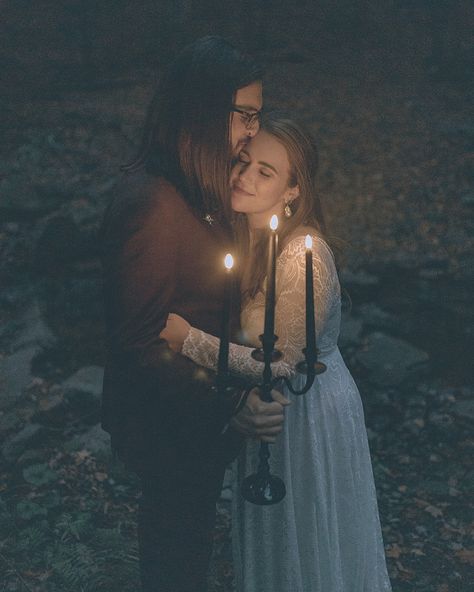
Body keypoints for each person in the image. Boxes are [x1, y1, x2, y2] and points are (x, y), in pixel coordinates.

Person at [160, 113, 393, 591]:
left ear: (293, 191)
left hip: (310, 411)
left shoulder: (303, 253)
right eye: (242, 162)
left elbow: (284, 361)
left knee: (307, 531)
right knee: (275, 539)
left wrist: (187, 340)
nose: (244, 176)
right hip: (271, 411)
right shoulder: (246, 242)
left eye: (265, 172)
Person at [100, 37, 289, 592]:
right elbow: (137, 342)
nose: (254, 129)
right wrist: (230, 401)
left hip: (194, 427)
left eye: (259, 116)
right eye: (246, 115)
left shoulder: (196, 188)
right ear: (205, 109)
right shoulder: (154, 203)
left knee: (187, 551)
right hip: (170, 429)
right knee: (174, 558)